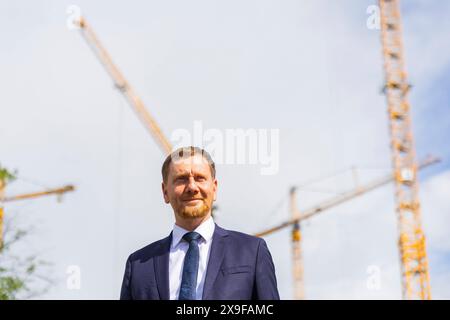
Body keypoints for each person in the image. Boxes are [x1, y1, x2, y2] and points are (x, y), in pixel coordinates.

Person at [120, 146, 279, 300]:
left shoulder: (252, 252)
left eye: (200, 178)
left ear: (214, 188)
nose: (192, 187)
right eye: (181, 179)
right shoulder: (138, 265)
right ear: (165, 192)